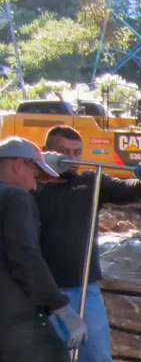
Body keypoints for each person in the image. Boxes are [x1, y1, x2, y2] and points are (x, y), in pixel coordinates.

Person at [34, 126, 141, 362]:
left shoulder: (90, 182)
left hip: (84, 287)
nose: (72, 159)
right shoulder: (30, 188)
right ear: (46, 151)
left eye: (77, 152)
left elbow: (125, 190)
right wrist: (38, 168)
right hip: (42, 291)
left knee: (97, 355)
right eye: (63, 152)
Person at [0, 136, 88, 362]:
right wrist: (60, 307)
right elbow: (25, 259)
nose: (33, 186)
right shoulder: (15, 197)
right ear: (18, 164)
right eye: (35, 175)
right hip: (13, 318)